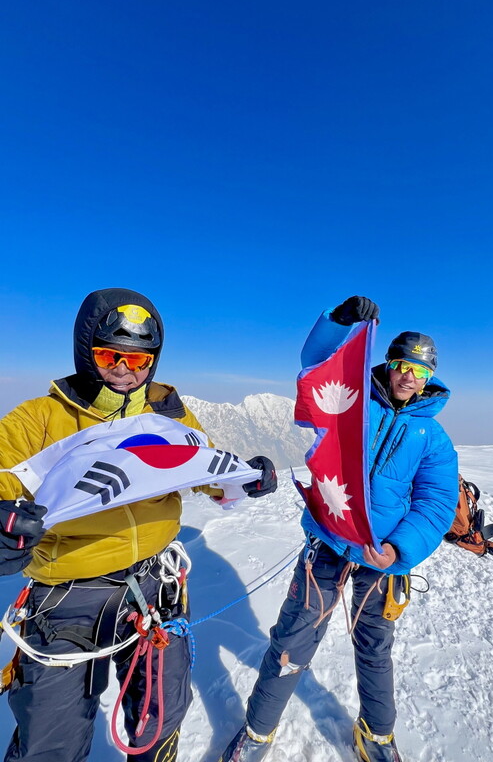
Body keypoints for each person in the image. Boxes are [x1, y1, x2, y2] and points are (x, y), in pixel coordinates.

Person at [0, 287, 277, 762]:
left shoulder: (167, 414)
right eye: (111, 355)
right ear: (86, 352)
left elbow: (198, 465)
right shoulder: (42, 418)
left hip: (153, 586)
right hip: (67, 595)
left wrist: (241, 478)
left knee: (160, 713)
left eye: (140, 360)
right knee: (49, 737)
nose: (126, 370)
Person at [219, 295, 458, 762]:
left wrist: (399, 550)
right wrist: (340, 321)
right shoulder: (351, 400)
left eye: (420, 370)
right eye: (402, 365)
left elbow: (436, 503)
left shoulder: (433, 439)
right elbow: (316, 363)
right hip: (328, 540)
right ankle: (258, 732)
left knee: (375, 647)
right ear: (389, 364)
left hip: (380, 555)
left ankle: (377, 735)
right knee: (293, 639)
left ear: (430, 378)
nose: (409, 376)